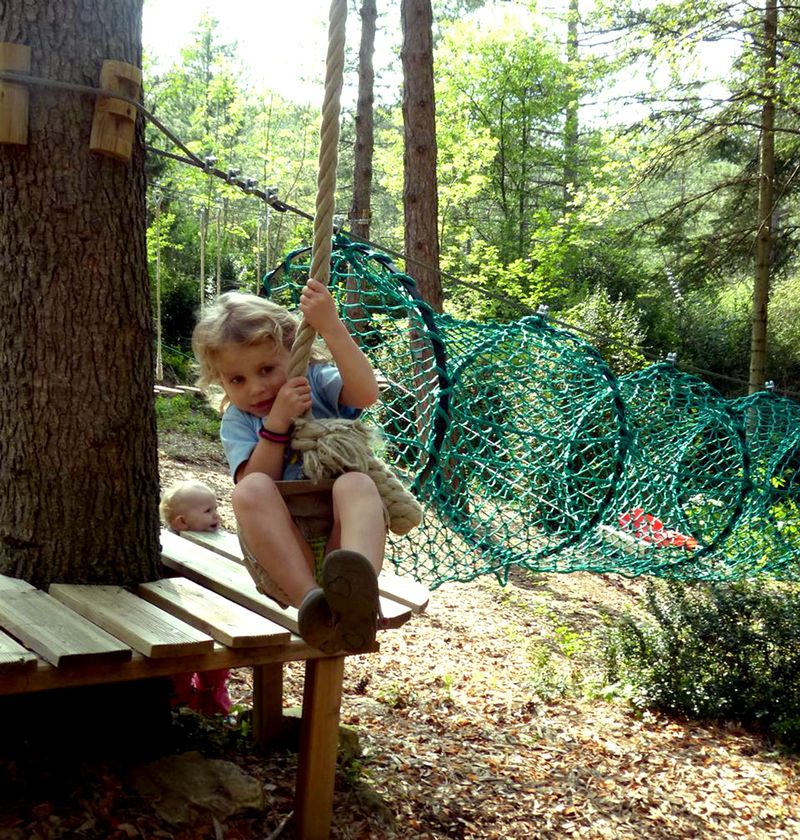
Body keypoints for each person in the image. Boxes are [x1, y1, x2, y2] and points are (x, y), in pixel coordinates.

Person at [191, 279, 386, 655]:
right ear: (220, 382)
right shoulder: (239, 420)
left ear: (294, 351)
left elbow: (365, 393)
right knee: (248, 490)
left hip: (338, 540)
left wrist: (331, 326)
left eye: (266, 369)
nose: (256, 389)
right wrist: (276, 424)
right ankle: (312, 602)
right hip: (283, 559)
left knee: (358, 484)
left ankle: (358, 591)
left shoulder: (310, 382)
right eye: (237, 379)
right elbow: (255, 481)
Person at [159, 480, 231, 715]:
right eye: (208, 511)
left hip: (214, 620)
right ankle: (179, 707)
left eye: (216, 509)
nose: (216, 516)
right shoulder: (169, 546)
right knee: (177, 672)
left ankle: (213, 707)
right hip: (177, 627)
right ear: (182, 522)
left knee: (216, 671)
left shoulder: (220, 541)